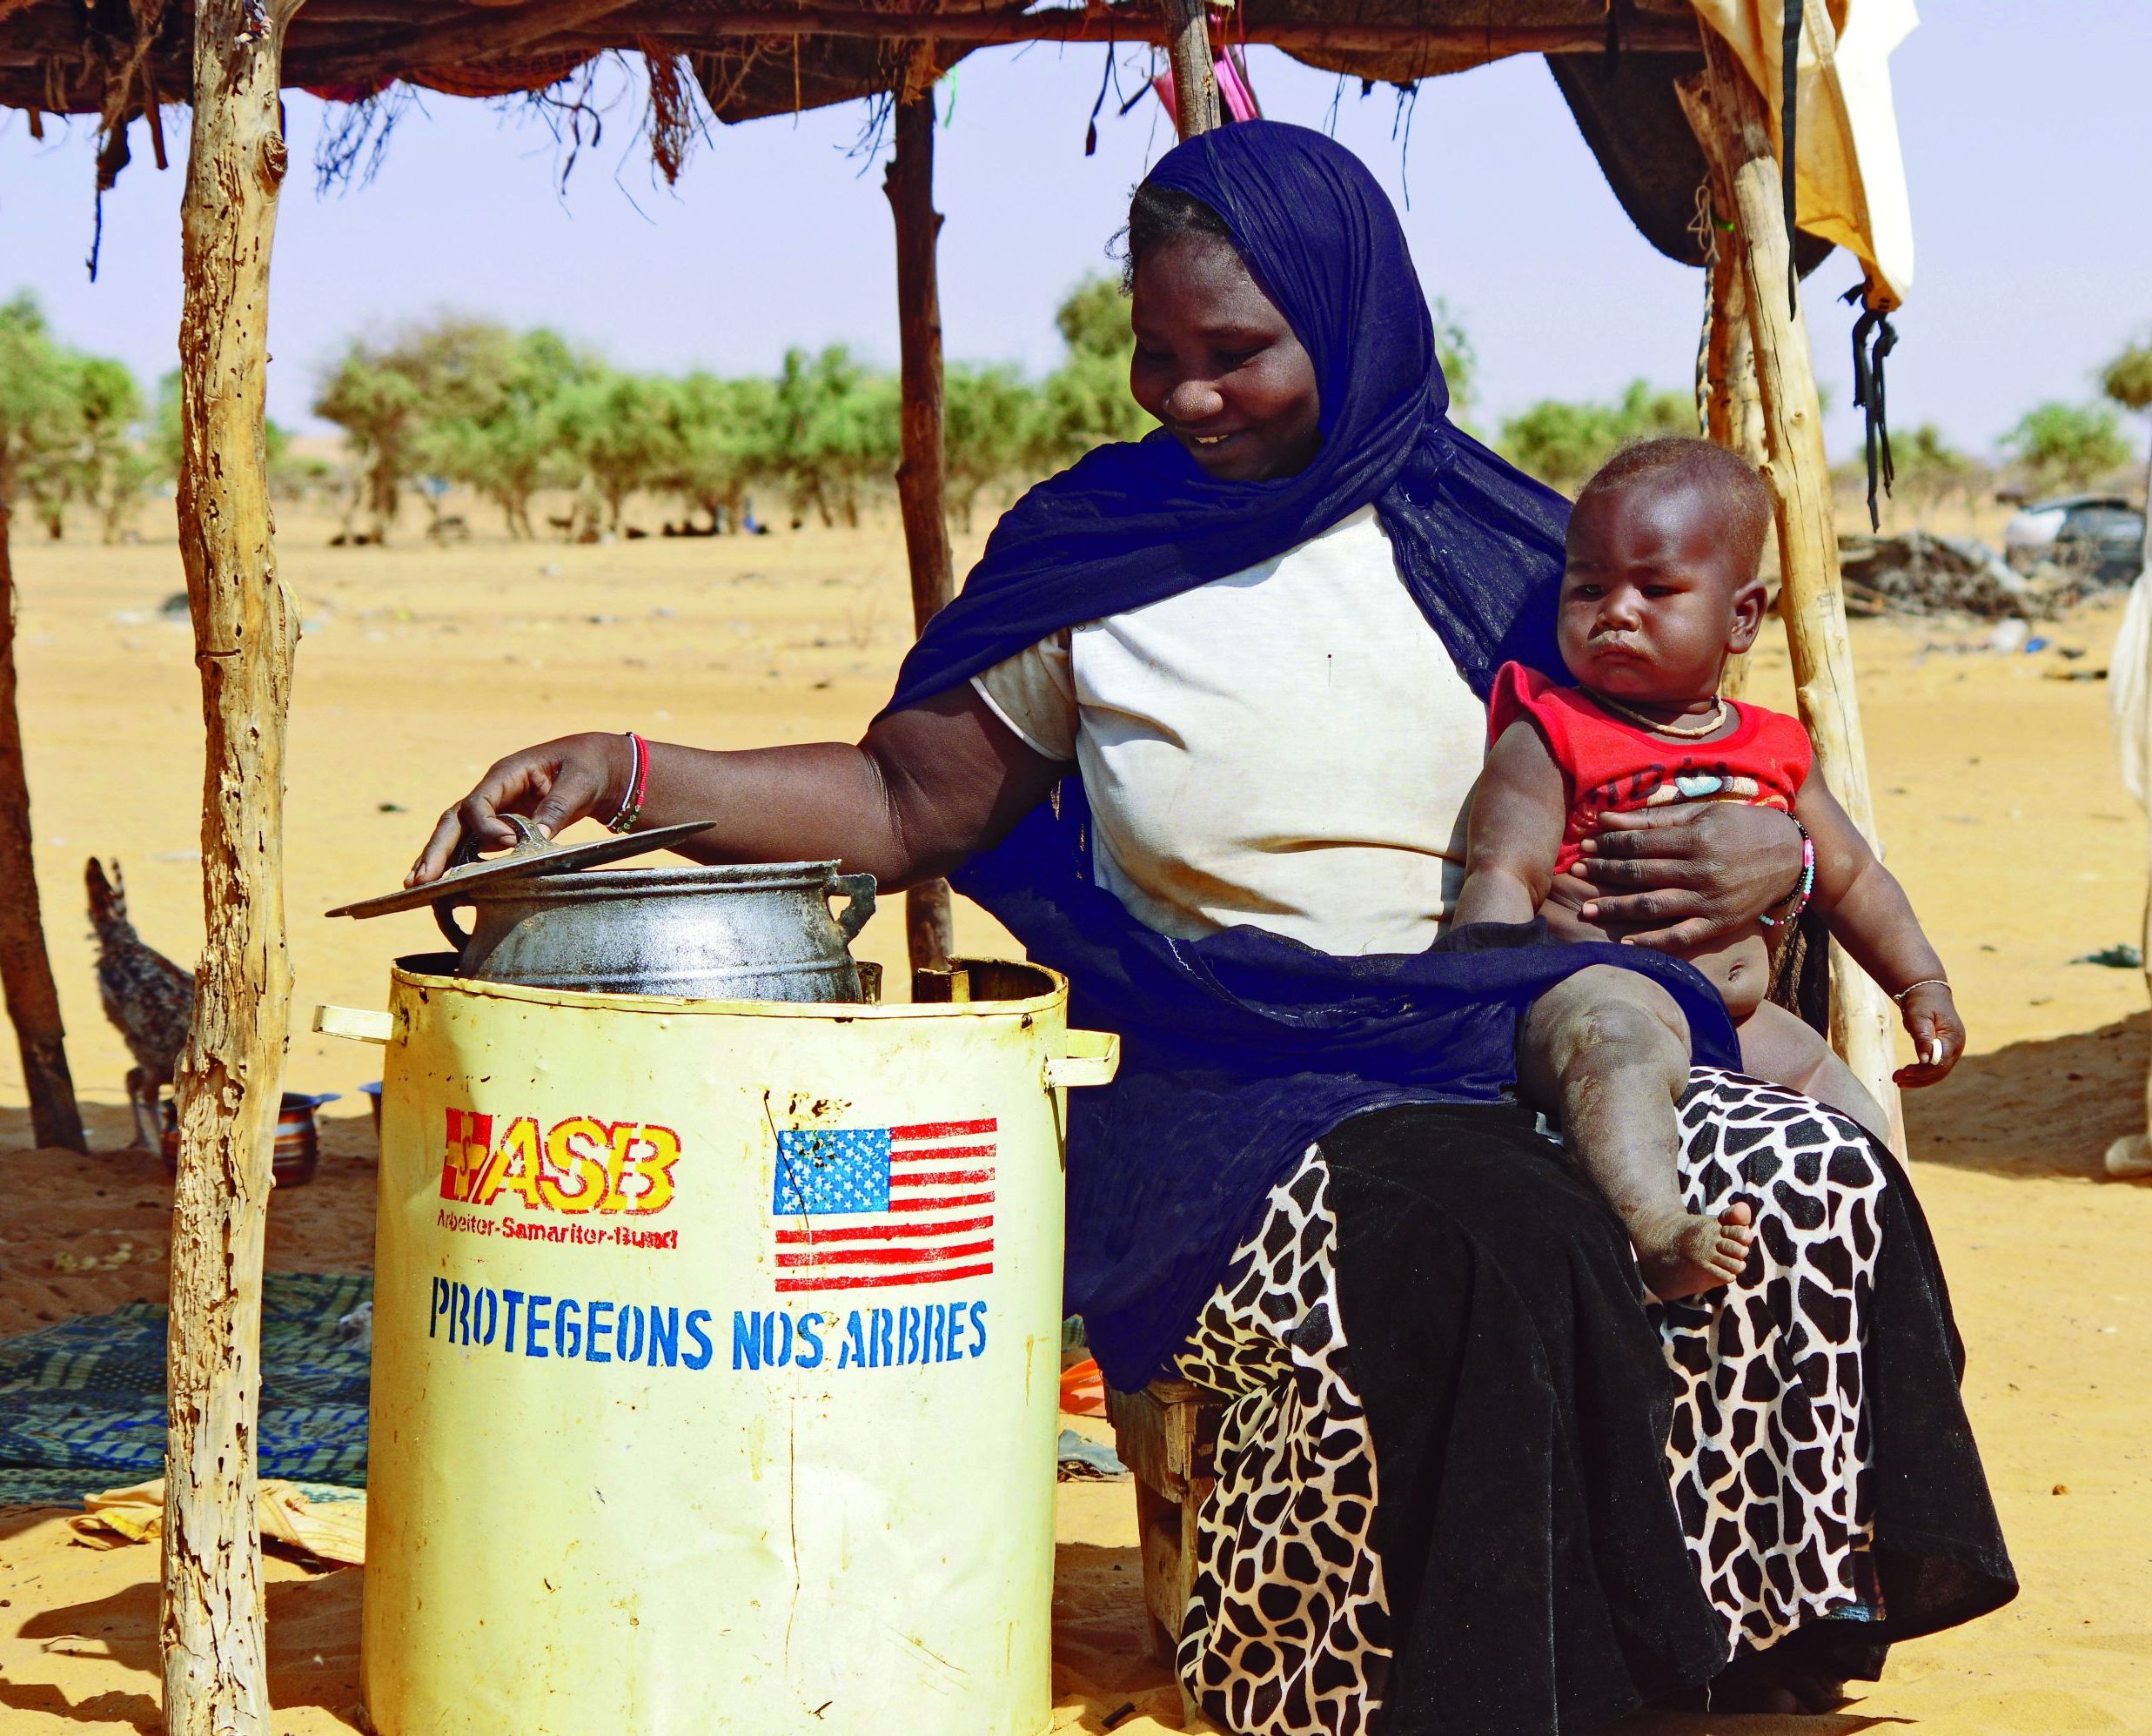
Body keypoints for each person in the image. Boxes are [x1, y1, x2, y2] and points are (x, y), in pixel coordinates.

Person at [411, 121, 2012, 1734]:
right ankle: (1476, 1678)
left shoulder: (1519, 555)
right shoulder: (1097, 559)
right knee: (1492, 1232)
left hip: (1513, 1010)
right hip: (1227, 1059)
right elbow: (907, 805)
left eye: (1234, 351)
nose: (1185, 394)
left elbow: (1697, 760)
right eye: (1153, 354)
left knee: (1812, 1172)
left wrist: (1778, 871)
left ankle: (1744, 1634)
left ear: (1354, 319)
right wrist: (623, 765)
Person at [1453, 438, 1967, 1300]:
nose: (1614, 611)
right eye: (1588, 588)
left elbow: (1849, 877)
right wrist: (1476, 980)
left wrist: (1920, 984)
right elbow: (1502, 870)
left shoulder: (1774, 748)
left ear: (1740, 618)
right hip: (1597, 992)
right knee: (1615, 1045)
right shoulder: (1550, 734)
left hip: (1736, 1018)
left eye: (1654, 590)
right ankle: (1655, 1233)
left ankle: (1888, 1264)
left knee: (1838, 1099)